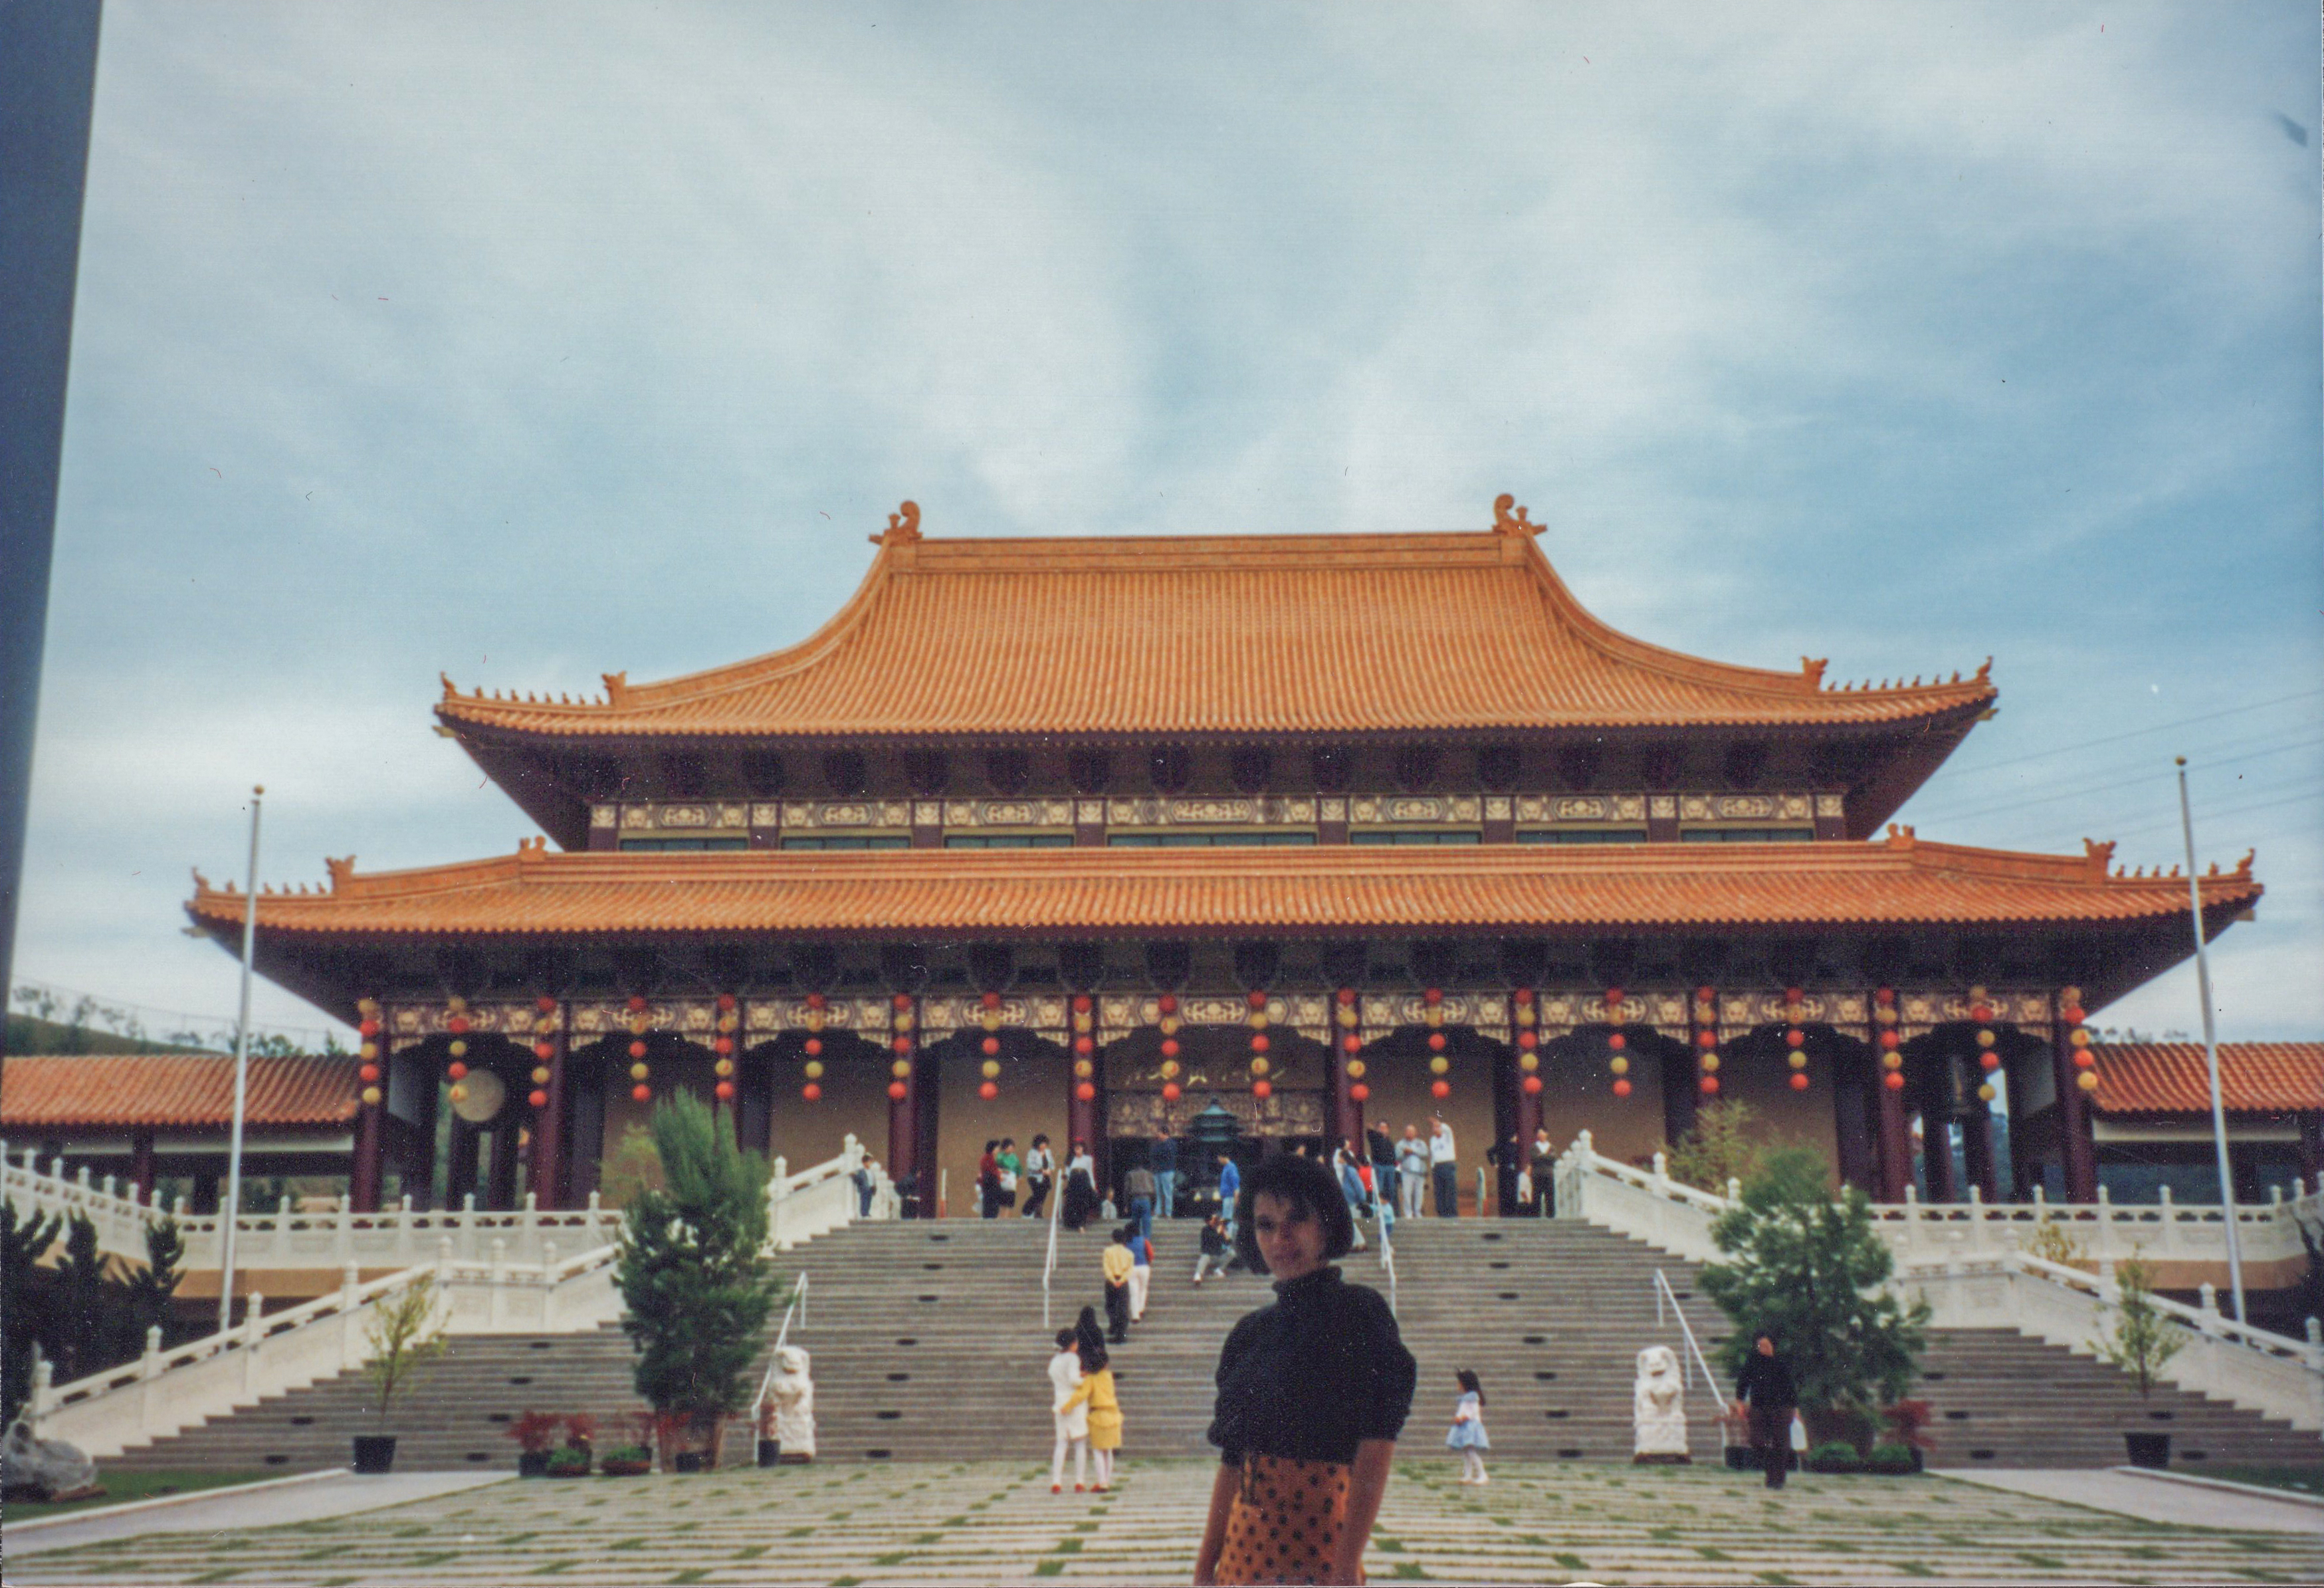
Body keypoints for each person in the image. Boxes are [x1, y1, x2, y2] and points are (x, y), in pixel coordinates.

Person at [1196, 1151, 1416, 1588]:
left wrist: (1345, 1569)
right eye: (1265, 1224)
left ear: (1327, 1224)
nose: (1280, 1238)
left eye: (1296, 1219)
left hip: (1323, 1556)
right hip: (1240, 1563)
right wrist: (1204, 1571)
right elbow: (1232, 1465)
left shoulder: (1360, 1314)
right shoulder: (1249, 1335)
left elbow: (1377, 1445)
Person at [1061, 1307, 1122, 1492]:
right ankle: (1107, 1481)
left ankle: (1101, 1482)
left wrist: (1067, 1406)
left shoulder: (1090, 1379)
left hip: (1098, 1417)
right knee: (1108, 1450)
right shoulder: (1108, 1377)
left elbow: (1081, 1395)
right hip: (1114, 1415)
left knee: (1097, 1450)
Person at [1732, 1334, 1798, 1490]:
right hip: (1759, 1407)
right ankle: (1770, 1470)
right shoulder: (1753, 1362)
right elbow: (1743, 1382)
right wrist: (1740, 1402)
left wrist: (1795, 1408)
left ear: (1773, 1346)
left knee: (1781, 1444)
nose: (1763, 1349)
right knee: (1756, 1441)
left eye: (1766, 1345)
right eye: (1760, 1346)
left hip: (1782, 1408)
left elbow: (1790, 1386)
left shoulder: (1781, 1362)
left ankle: (1778, 1479)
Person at [1049, 1325, 1090, 1493]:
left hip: (1060, 1402)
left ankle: (1056, 1481)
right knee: (1079, 1443)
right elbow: (1074, 1380)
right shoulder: (1073, 1358)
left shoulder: (1055, 1360)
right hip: (1075, 1403)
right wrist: (1085, 1380)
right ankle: (1079, 1481)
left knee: (1061, 1443)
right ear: (1073, 1343)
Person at [1445, 1369, 1490, 1484]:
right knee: (1466, 1453)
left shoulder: (1472, 1397)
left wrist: (1462, 1418)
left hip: (1470, 1427)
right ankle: (1468, 1475)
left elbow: (1472, 1412)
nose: (1458, 1385)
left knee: (1471, 1452)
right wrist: (1458, 1418)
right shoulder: (1466, 1398)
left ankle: (1482, 1474)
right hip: (1464, 1427)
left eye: (1459, 1383)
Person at [1333, 1142, 1370, 1251]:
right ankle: (1357, 1243)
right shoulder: (1345, 1170)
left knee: (1350, 1222)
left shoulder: (1350, 1170)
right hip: (1348, 1199)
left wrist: (1362, 1199)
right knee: (1350, 1222)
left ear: (1344, 1159)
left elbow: (1358, 1185)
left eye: (1340, 1157)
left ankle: (1360, 1243)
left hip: (1352, 1200)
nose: (1338, 1159)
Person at [1102, 1225, 1134, 1342]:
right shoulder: (1129, 1253)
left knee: (1110, 1305)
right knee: (1123, 1307)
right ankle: (1121, 1332)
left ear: (1113, 1238)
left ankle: (1114, 1325)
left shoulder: (1108, 1251)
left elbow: (1106, 1267)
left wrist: (1113, 1279)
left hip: (1111, 1282)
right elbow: (1130, 1269)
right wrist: (1121, 1280)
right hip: (1123, 1282)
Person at [1063, 1141, 1100, 1231]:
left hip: (1084, 1181)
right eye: (1076, 1149)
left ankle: (1082, 1224)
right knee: (1074, 1203)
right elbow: (1068, 1173)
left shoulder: (1088, 1159)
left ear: (1083, 1149)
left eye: (1079, 1148)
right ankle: (1075, 1224)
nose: (1078, 1151)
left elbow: (1090, 1173)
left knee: (1083, 1202)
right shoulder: (1070, 1159)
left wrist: (1093, 1185)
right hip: (1074, 1182)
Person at [1428, 1115, 1459, 1218]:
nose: (1435, 1129)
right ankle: (1441, 1214)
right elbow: (1433, 1155)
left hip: (1448, 1165)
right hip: (1437, 1167)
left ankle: (1452, 1214)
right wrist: (1432, 1167)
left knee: (1450, 1190)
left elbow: (1448, 1129)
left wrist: (1438, 1123)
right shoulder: (1432, 1140)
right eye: (1434, 1127)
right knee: (1439, 1191)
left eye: (1438, 1127)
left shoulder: (1447, 1136)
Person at [1396, 1126, 1428, 1221]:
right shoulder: (1401, 1144)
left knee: (1419, 1193)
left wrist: (1413, 1151)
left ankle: (1418, 1212)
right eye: (1408, 1131)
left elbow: (1426, 1154)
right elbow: (1398, 1157)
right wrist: (1405, 1153)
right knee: (1407, 1193)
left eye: (1411, 1131)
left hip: (1420, 1172)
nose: (1409, 1133)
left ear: (1415, 1133)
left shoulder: (1421, 1143)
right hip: (1407, 1172)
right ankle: (1408, 1213)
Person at [1023, 1134, 1057, 1220]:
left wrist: (1050, 1170)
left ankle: (1038, 1213)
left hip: (1045, 1177)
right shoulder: (1032, 1152)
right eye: (1042, 1144)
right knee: (1037, 1194)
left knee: (1043, 1195)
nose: (1043, 1146)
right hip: (1035, 1177)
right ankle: (1027, 1211)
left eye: (1045, 1144)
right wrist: (1041, 1170)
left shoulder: (1048, 1152)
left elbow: (1052, 1163)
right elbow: (1030, 1165)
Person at [1124, 1161, 1158, 1242]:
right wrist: (1153, 1207)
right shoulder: (1149, 1174)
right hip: (1146, 1199)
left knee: (1135, 1223)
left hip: (1135, 1199)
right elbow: (1154, 1192)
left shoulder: (1130, 1174)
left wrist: (1127, 1205)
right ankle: (1147, 1243)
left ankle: (1136, 1243)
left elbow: (1126, 1191)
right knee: (1147, 1224)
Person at [1193, 1213, 1231, 1286]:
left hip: (1219, 1255)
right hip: (1209, 1256)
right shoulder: (1205, 1230)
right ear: (1209, 1222)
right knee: (1204, 1257)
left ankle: (1219, 1270)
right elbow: (1212, 1239)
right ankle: (1198, 1275)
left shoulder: (1220, 1230)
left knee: (1232, 1253)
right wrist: (1219, 1232)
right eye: (1213, 1220)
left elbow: (1228, 1243)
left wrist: (1225, 1233)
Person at [1127, 1222, 1154, 1321]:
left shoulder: (1126, 1242)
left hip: (1131, 1268)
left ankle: (1135, 1315)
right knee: (1143, 1289)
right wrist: (1149, 1262)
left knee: (1133, 1293)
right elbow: (1151, 1254)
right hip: (1143, 1267)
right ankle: (1141, 1309)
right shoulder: (1144, 1240)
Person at [1527, 1127, 1556, 1217]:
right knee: (1536, 1196)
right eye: (1539, 1133)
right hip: (1537, 1174)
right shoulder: (1533, 1147)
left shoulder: (1551, 1147)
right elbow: (1534, 1159)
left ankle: (1551, 1215)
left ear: (1546, 1134)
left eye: (1542, 1132)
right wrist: (1546, 1156)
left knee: (1550, 1196)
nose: (1540, 1135)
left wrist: (1541, 1156)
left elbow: (1553, 1159)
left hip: (1548, 1174)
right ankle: (1536, 1215)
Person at [1215, 1153, 1243, 1252]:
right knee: (1226, 1221)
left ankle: (1228, 1245)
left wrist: (1236, 1199)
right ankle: (1227, 1244)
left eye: (1219, 1158)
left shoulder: (1231, 1168)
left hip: (1230, 1198)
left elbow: (1236, 1186)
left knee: (1229, 1221)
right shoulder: (1226, 1168)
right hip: (1226, 1198)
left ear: (1222, 1157)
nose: (1218, 1160)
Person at [1152, 1134, 1179, 1221]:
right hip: (1158, 1171)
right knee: (1158, 1193)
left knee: (1168, 1193)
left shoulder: (1171, 1144)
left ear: (1164, 1133)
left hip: (1167, 1170)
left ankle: (1168, 1213)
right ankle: (1158, 1212)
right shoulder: (1158, 1144)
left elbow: (1166, 1155)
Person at [979, 1140, 1004, 1220]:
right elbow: (991, 1171)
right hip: (990, 1184)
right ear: (992, 1148)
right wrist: (998, 1173)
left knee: (992, 1204)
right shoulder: (987, 1158)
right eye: (997, 1148)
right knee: (991, 1204)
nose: (998, 1150)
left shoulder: (992, 1158)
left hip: (991, 1183)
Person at [998, 1138, 1022, 1214]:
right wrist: (1003, 1171)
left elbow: (1018, 1167)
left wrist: (1019, 1176)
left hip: (1012, 1180)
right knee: (1002, 1200)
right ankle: (1000, 1217)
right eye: (1009, 1148)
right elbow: (996, 1168)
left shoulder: (1014, 1157)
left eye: (1012, 1148)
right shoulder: (1000, 1157)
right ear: (1005, 1148)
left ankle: (1006, 1217)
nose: (1011, 1150)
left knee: (1009, 1201)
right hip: (1003, 1179)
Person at [853, 1155, 879, 1219]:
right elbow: (858, 1178)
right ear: (864, 1163)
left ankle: (867, 1212)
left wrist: (875, 1187)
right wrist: (853, 1176)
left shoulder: (871, 1171)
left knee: (869, 1201)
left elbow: (873, 1179)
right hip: (864, 1188)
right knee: (864, 1201)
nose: (870, 1164)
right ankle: (864, 1214)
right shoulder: (861, 1171)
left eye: (871, 1162)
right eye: (869, 1162)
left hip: (871, 1188)